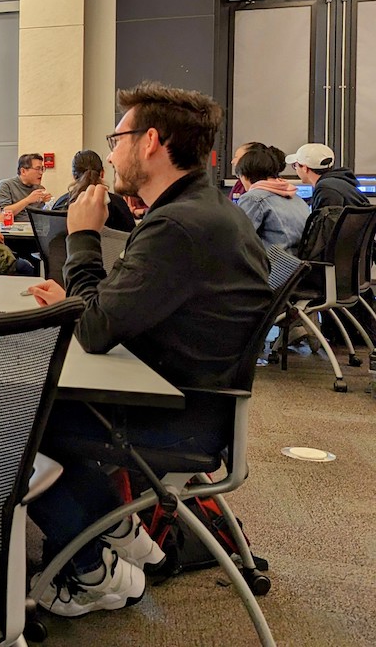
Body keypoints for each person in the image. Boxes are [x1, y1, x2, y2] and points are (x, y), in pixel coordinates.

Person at [26, 82, 269, 619]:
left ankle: (93, 572)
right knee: (40, 409)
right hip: (189, 399)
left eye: (117, 138)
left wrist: (83, 238)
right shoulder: (204, 211)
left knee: (12, 420)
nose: (110, 152)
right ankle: (117, 526)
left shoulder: (178, 226)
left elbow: (93, 330)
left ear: (150, 140)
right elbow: (116, 311)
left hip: (176, 418)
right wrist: (86, 301)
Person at [236, 144, 309, 250]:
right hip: (296, 263)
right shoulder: (295, 197)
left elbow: (239, 239)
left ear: (245, 175)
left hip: (272, 264)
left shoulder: (253, 198)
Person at [50, 150, 135, 232]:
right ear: (102, 174)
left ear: (74, 176)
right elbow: (132, 239)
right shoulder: (119, 204)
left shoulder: (60, 204)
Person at [287, 143, 367, 210]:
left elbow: (327, 226)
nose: (296, 169)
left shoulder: (326, 189)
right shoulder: (341, 183)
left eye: (295, 165)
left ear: (304, 168)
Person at [0, 153, 50, 221]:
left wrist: (47, 203)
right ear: (23, 171)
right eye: (37, 169)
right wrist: (27, 200)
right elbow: (3, 213)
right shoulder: (6, 185)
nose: (41, 173)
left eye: (42, 169)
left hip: (35, 228)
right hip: (13, 229)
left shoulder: (39, 188)